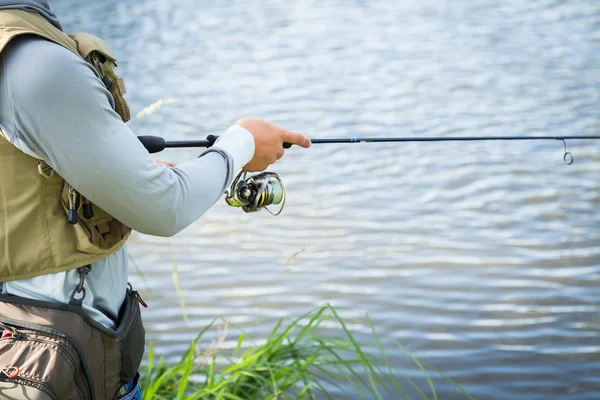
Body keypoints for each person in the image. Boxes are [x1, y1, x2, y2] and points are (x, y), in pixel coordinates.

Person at [0, 1, 311, 399]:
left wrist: (114, 172)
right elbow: (166, 207)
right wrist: (242, 143)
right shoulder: (33, 62)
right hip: (60, 369)